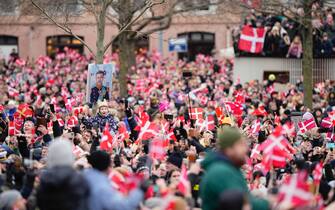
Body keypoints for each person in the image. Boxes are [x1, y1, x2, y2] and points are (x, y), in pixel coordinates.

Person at [200, 126, 270, 210]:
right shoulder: (221, 172)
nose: (246, 149)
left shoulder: (228, 168)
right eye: (241, 145)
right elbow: (242, 203)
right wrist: (271, 204)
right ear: (229, 149)